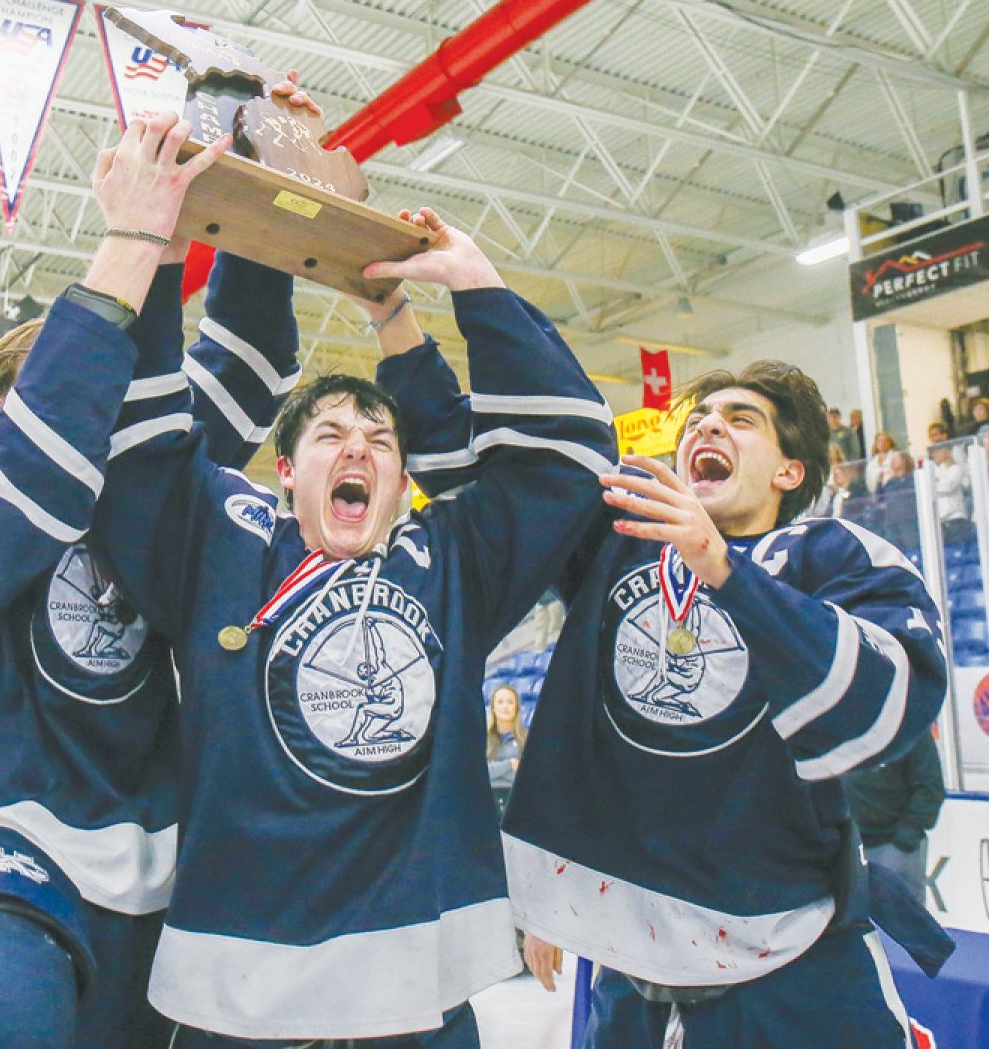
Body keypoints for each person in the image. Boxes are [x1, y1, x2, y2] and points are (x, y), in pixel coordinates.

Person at [87, 206, 616, 1044]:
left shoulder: (453, 560)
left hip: (415, 986)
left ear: (404, 477)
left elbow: (573, 453)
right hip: (237, 986)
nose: (358, 449)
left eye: (380, 439)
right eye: (331, 435)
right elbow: (141, 437)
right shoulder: (223, 539)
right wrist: (164, 237)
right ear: (285, 470)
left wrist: (474, 287)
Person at [0, 103, 310, 1049]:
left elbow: (245, 369)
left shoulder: (144, 489)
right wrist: (137, 241)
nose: (103, 431)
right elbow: (34, 471)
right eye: (67, 394)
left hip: (163, 867)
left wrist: (263, 172)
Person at [401, 360, 947, 1047]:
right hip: (637, 964)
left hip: (797, 964)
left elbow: (895, 694)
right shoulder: (622, 541)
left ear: (790, 471)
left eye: (741, 419)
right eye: (699, 418)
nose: (710, 423)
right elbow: (493, 485)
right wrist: (399, 332)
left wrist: (723, 567)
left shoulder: (831, 554)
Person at [844, 731, 944, 905]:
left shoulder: (911, 728)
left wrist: (906, 837)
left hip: (893, 848)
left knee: (904, 922)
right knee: (856, 924)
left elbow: (930, 787)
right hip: (848, 849)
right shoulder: (841, 727)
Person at [486, 683, 527, 819]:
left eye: (510, 702)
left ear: (516, 708)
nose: (505, 707)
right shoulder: (482, 738)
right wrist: (509, 765)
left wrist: (494, 768)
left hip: (516, 798)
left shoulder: (526, 738)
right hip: (486, 797)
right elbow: (480, 771)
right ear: (493, 708)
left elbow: (525, 775)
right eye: (500, 702)